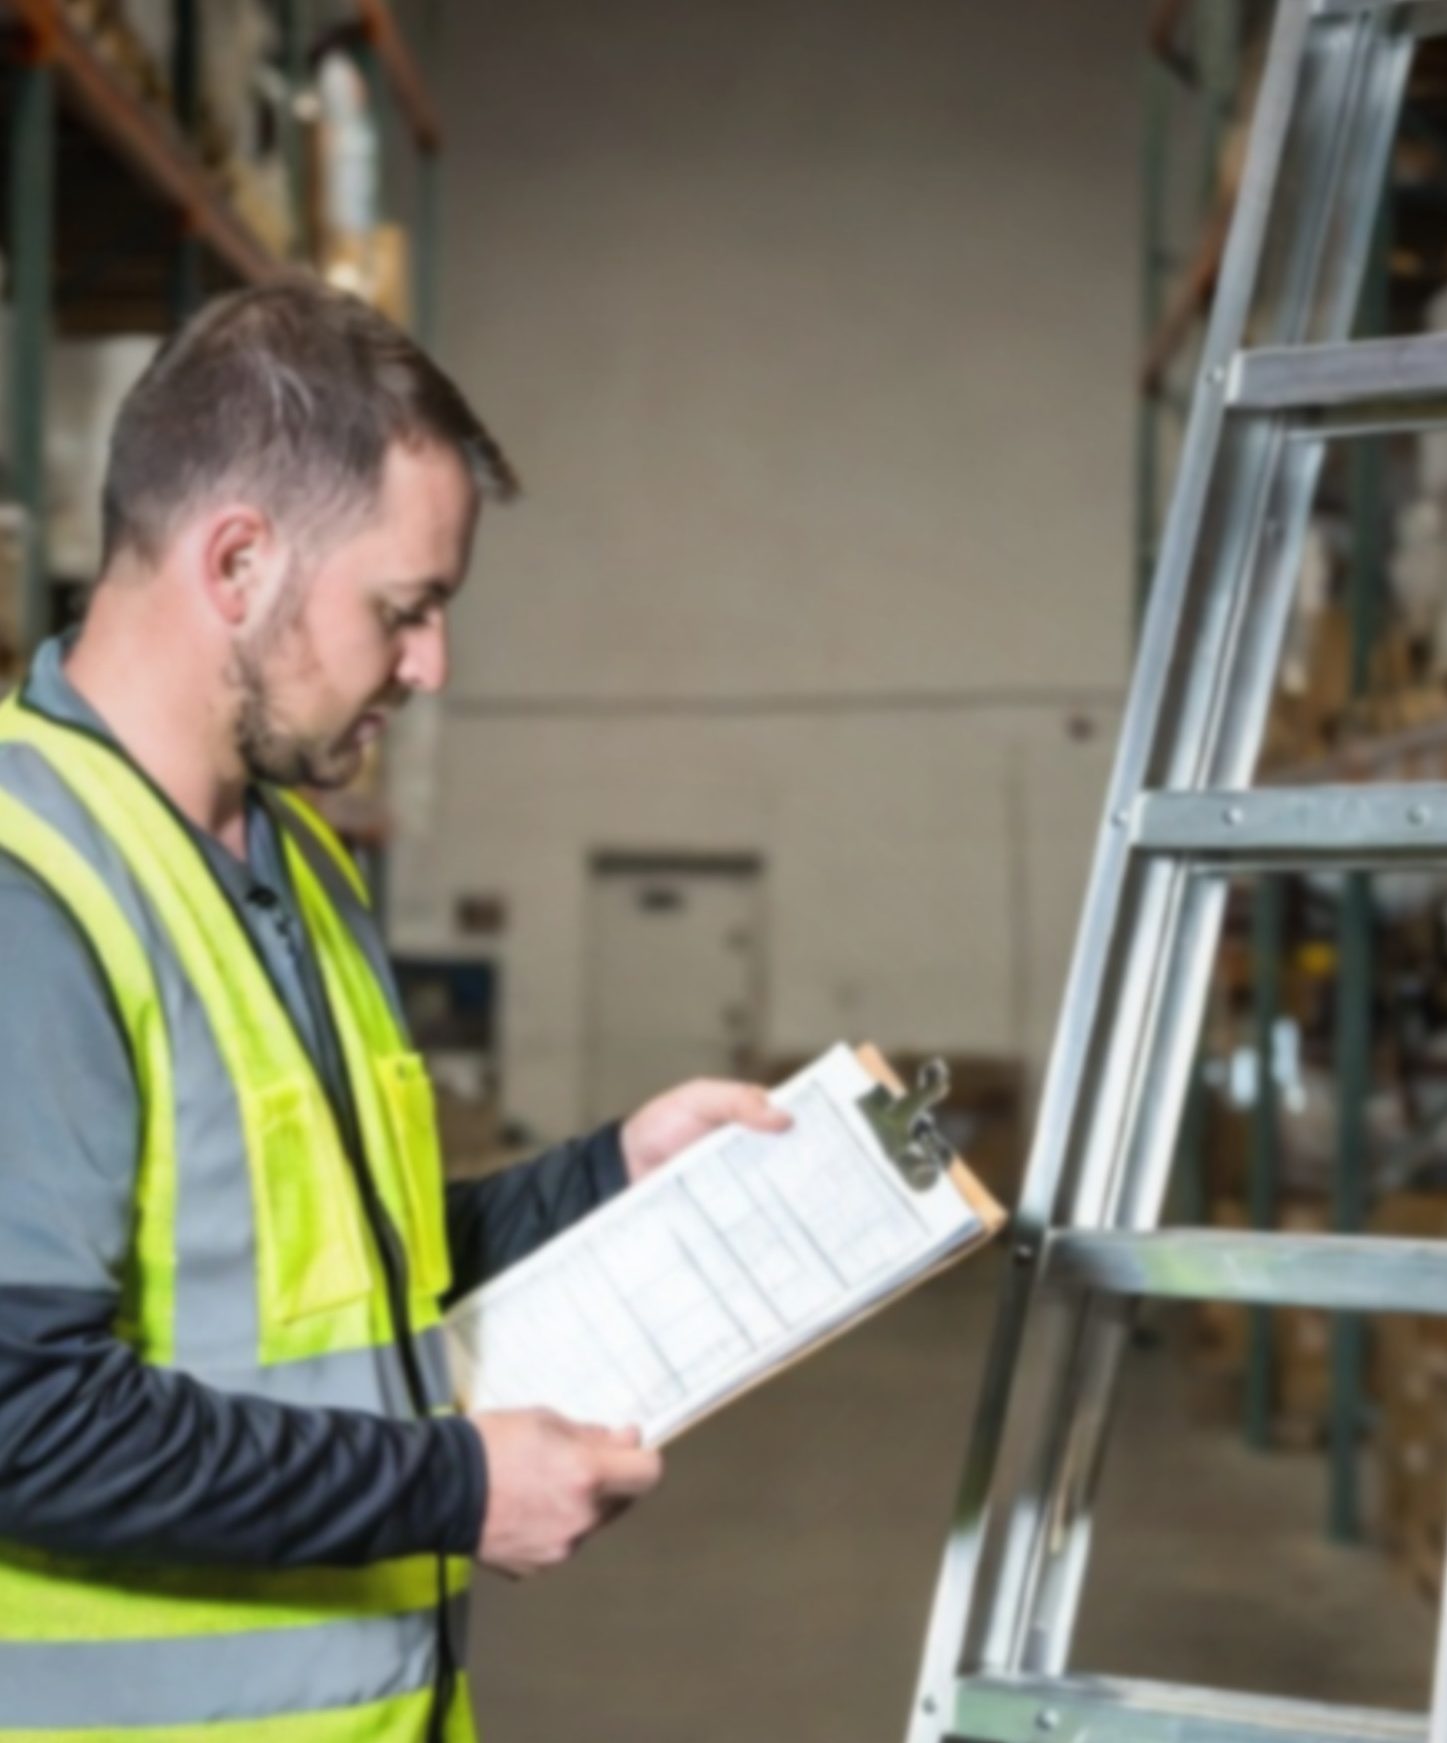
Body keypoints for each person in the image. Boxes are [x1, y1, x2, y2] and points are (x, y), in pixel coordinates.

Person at [0, 279, 790, 1741]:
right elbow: (21, 1417)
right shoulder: (28, 889)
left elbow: (357, 1272)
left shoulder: (292, 858)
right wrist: (459, 1488)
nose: (431, 665)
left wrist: (611, 1177)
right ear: (235, 561)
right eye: (404, 609)